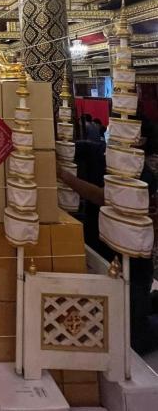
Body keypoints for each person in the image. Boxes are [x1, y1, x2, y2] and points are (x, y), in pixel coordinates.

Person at [58, 139, 158, 355]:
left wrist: (64, 175)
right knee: (112, 318)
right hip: (105, 255)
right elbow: (71, 146)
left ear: (140, 140)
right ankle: (148, 304)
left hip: (133, 265)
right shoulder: (102, 153)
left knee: (135, 339)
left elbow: (104, 197)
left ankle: (145, 309)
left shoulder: (143, 176)